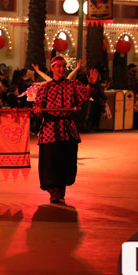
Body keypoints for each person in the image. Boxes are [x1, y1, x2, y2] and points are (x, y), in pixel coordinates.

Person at [33, 56, 99, 204]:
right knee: (50, 162)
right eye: (58, 66)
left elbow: (86, 93)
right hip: (49, 130)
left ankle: (60, 189)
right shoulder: (44, 88)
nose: (62, 69)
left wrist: (92, 85)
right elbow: (37, 106)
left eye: (64, 66)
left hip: (67, 130)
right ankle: (54, 191)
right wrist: (37, 110)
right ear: (52, 68)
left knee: (66, 161)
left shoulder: (73, 85)